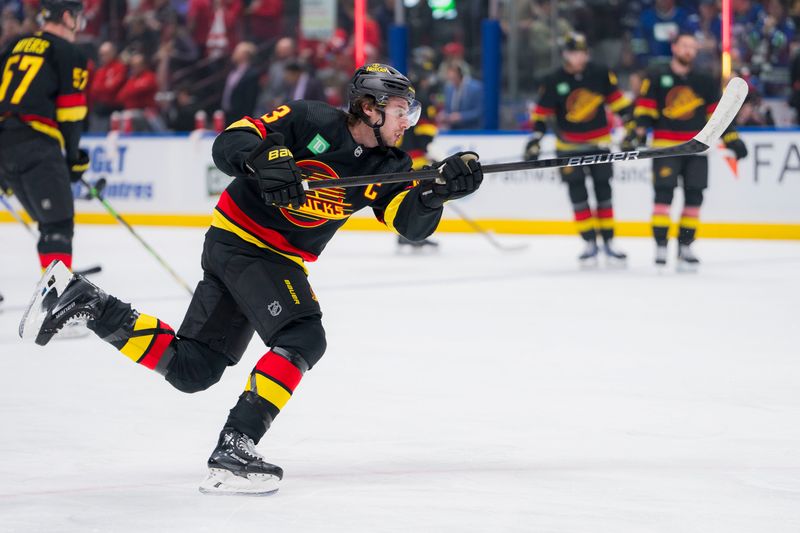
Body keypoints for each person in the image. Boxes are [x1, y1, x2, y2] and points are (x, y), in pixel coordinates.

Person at [19, 63, 483, 496]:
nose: (409, 121)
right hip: (243, 244)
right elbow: (231, 141)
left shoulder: (386, 166)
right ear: (369, 107)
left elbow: (409, 223)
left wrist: (438, 192)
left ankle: (89, 303)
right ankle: (235, 444)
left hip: (260, 255)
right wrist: (267, 158)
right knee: (303, 335)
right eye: (402, 111)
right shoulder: (310, 119)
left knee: (191, 369)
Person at [627, 31, 748, 270]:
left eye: (693, 47)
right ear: (674, 47)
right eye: (684, 46)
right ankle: (661, 245)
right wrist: (635, 133)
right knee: (663, 196)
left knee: (694, 198)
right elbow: (644, 111)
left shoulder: (704, 80)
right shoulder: (656, 76)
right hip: (666, 149)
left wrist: (732, 139)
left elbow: (717, 116)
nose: (689, 51)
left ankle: (685, 247)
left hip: (696, 149)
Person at [524, 33, 633, 266]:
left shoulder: (600, 73)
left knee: (604, 193)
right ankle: (589, 243)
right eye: (574, 53)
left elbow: (619, 104)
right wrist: (535, 139)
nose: (579, 57)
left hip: (600, 145)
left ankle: (609, 242)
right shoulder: (554, 79)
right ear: (565, 54)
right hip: (568, 148)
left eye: (582, 53)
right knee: (578, 196)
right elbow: (541, 115)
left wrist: (631, 130)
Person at [0, 0, 89, 272]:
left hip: (4, 144)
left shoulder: (14, 46)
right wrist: (73, 158)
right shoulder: (69, 52)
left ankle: (53, 282)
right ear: (66, 16)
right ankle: (56, 300)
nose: (79, 22)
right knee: (58, 225)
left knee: (48, 222)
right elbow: (71, 115)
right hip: (36, 145)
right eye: (77, 16)